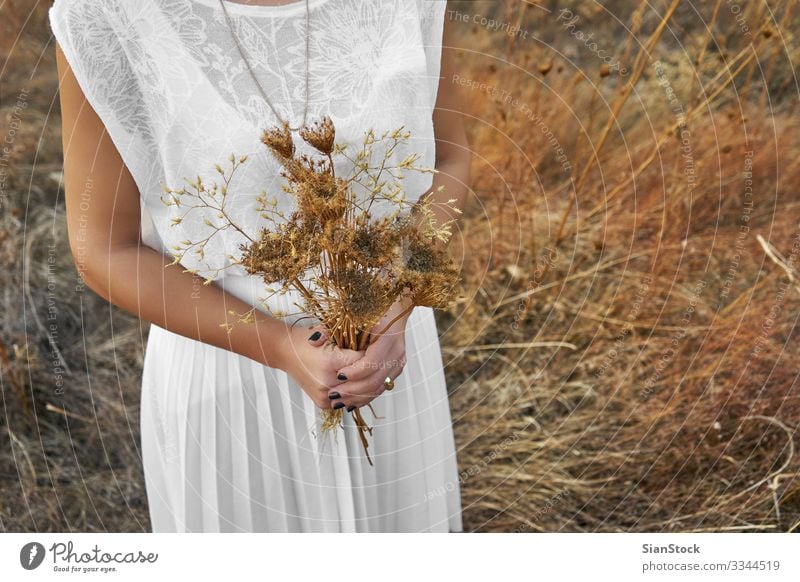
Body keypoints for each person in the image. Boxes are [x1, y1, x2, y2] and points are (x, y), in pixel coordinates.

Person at [50, 0, 471, 532]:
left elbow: (450, 159)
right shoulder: (104, 15)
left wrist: (398, 298)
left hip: (387, 356)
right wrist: (279, 346)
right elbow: (104, 249)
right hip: (229, 372)